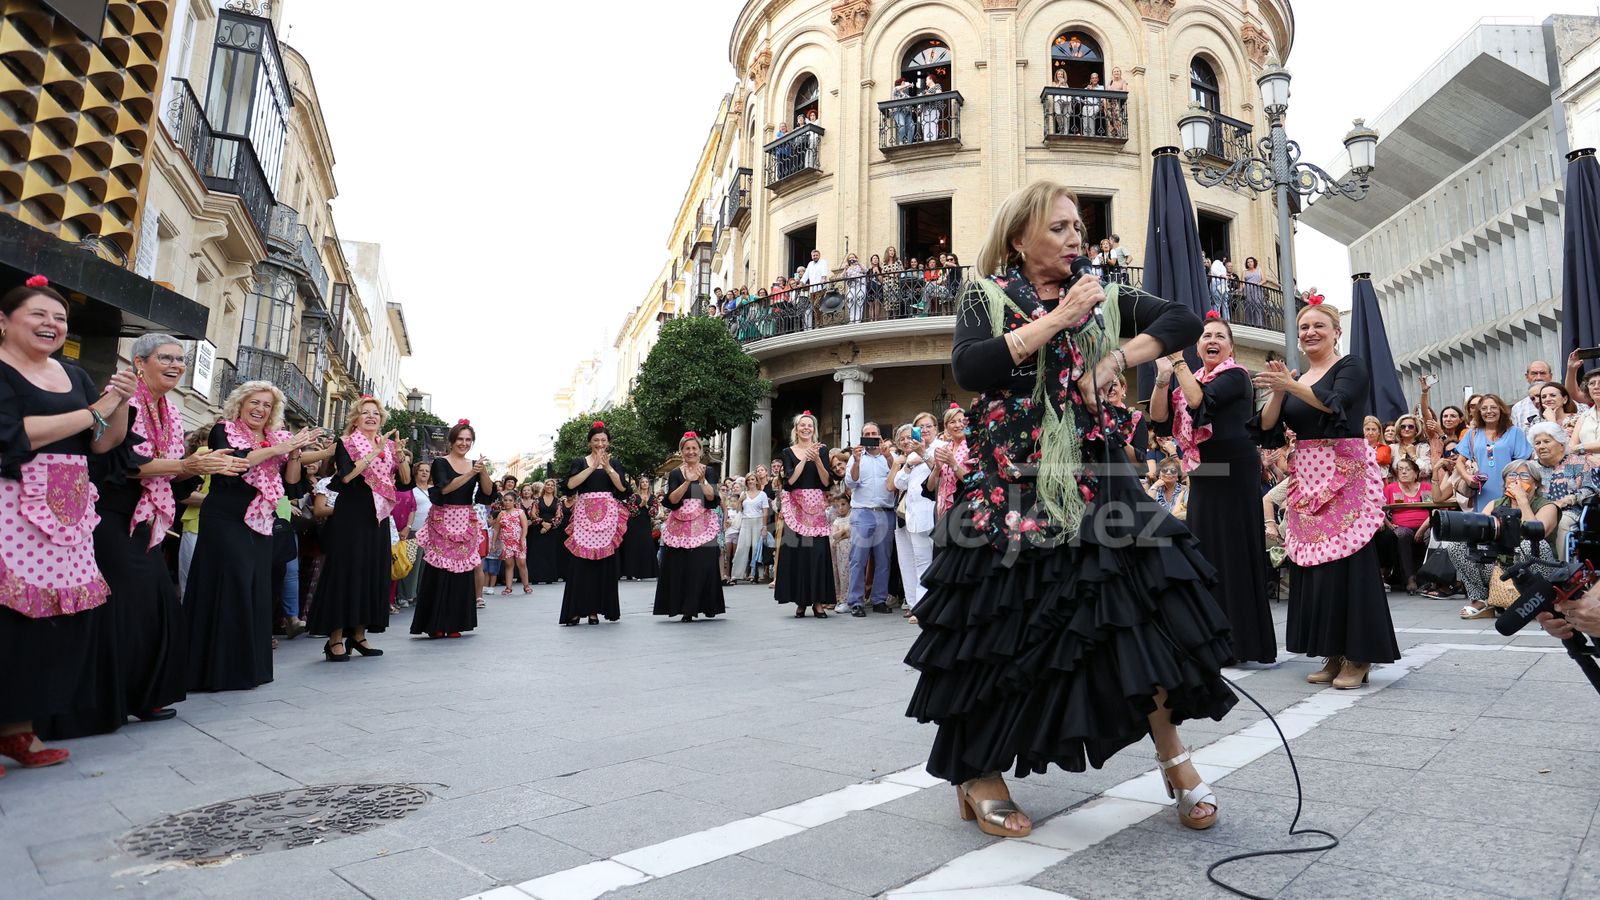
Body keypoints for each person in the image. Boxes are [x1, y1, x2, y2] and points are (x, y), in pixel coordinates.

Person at [906, 182, 1235, 839]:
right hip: (1010, 479)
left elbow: (1180, 319)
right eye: (1057, 227)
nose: (1074, 237)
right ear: (1019, 238)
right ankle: (977, 773)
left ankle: (1174, 759)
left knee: (1139, 609)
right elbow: (971, 368)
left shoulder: (1101, 291)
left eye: (1077, 227)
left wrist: (1115, 356)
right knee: (997, 627)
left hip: (1094, 468)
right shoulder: (985, 294)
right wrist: (1058, 320)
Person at [46, 335, 243, 738]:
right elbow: (123, 464)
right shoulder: (122, 399)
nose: (176, 365)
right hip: (111, 516)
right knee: (122, 608)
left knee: (155, 606)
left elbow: (168, 472)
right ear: (139, 362)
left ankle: (143, 694)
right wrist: (187, 464)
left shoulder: (169, 409)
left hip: (146, 521)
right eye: (165, 357)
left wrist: (196, 467)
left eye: (180, 359)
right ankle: (104, 703)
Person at [0, 277, 136, 770]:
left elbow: (102, 442)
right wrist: (96, 409)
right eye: (38, 314)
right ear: (3, 321)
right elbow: (14, 434)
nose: (51, 324)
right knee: (7, 620)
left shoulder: (74, 374)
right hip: (11, 505)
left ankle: (18, 731)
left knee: (49, 627)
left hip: (68, 513)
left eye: (59, 318)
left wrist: (119, 402)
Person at [1254, 299, 1400, 689]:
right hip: (1306, 474)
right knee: (1315, 564)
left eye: (1319, 325)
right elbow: (1267, 426)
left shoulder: (1350, 366)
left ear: (1336, 332)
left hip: (1344, 471)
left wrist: (1291, 386)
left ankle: (1359, 656)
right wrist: (1280, 391)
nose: (1310, 332)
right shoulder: (1298, 376)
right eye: (1304, 327)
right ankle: (1332, 651)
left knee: (1349, 560)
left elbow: (1338, 404)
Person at [1149, 311, 1275, 664]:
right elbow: (1159, 418)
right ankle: (1211, 641)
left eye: (1220, 336)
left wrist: (1178, 362)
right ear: (1198, 346)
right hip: (1205, 473)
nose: (1212, 341)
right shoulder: (1191, 379)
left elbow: (1197, 401)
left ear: (1231, 347)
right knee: (1205, 551)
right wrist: (1163, 377)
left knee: (1233, 553)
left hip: (1234, 471)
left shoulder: (1235, 376)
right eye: (1206, 336)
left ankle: (1241, 644)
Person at [185, 382, 315, 690]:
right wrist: (279, 448)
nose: (260, 409)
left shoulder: (276, 439)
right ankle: (212, 671)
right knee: (230, 585)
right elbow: (238, 462)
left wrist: (293, 452)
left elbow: (292, 485)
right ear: (241, 404)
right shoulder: (223, 430)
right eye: (255, 402)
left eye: (267, 405)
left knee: (255, 588)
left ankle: (246, 668)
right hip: (225, 518)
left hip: (261, 520)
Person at [309, 398, 409, 661]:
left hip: (378, 517)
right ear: (355, 418)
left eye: (376, 413)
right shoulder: (346, 442)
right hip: (351, 513)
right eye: (365, 413)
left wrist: (399, 455)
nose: (371, 416)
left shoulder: (389, 446)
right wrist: (373, 454)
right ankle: (334, 638)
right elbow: (346, 477)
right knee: (345, 572)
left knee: (371, 572)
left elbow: (405, 481)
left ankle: (359, 634)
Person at [412, 420, 496, 639]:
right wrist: (470, 474)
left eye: (468, 440)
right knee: (439, 571)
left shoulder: (474, 465)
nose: (464, 443)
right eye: (460, 439)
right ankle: (435, 624)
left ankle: (455, 622)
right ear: (451, 441)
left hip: (465, 520)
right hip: (442, 520)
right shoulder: (440, 462)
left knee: (462, 572)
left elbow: (488, 493)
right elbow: (445, 489)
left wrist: (482, 472)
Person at [1448, 459, 1560, 620]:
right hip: (1500, 566)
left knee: (1529, 544)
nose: (1517, 480)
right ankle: (1480, 600)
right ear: (1505, 482)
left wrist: (1522, 500)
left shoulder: (1547, 506)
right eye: (1512, 475)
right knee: (1457, 546)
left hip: (1535, 567)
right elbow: (1477, 534)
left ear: (1536, 484)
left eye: (1524, 476)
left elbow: (1536, 534)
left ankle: (1535, 601)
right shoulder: (1495, 504)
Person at [560, 421, 629, 625]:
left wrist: (607, 467)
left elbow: (622, 488)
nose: (600, 443)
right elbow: (570, 485)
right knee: (580, 564)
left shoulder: (614, 463)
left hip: (607, 517)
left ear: (608, 442)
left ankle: (594, 611)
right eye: (596, 440)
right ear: (589, 442)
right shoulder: (580, 462)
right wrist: (592, 467)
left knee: (603, 565)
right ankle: (575, 610)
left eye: (603, 440)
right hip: (584, 516)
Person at [653, 432, 726, 621]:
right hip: (680, 522)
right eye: (687, 448)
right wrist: (687, 481)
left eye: (694, 448)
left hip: (703, 521)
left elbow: (711, 497)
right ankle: (686, 607)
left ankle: (705, 604)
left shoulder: (709, 471)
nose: (691, 452)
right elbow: (672, 499)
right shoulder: (675, 473)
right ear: (681, 451)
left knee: (703, 564)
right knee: (681, 565)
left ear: (700, 451)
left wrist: (701, 481)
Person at [775, 411, 834, 618]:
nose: (806, 428)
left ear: (814, 429)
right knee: (798, 554)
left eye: (809, 425)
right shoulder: (788, 452)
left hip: (816, 506)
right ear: (796, 429)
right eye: (802, 425)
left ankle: (818, 601)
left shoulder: (822, 450)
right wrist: (804, 459)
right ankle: (801, 601)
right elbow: (790, 481)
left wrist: (816, 459)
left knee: (817, 553)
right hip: (796, 507)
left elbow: (826, 482)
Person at [843, 422, 895, 617]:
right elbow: (850, 483)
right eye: (867, 434)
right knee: (858, 559)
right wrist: (856, 461)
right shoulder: (856, 457)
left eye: (874, 433)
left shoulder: (889, 455)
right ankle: (855, 602)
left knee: (883, 559)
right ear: (862, 437)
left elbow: (897, 478)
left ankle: (879, 600)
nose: (871, 437)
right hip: (862, 511)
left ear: (880, 436)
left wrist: (888, 456)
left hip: (885, 511)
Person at [890, 422, 935, 624]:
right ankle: (915, 604)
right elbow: (897, 483)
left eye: (910, 436)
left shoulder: (935, 449)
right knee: (911, 562)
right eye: (903, 439)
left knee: (925, 562)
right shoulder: (908, 458)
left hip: (929, 514)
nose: (907, 441)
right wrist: (907, 465)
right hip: (907, 516)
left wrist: (922, 455)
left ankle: (924, 606)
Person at [1458, 394, 1531, 512]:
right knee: (1484, 520)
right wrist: (1467, 477)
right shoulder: (1472, 433)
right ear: (1479, 412)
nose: (1489, 411)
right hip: (1482, 490)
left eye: (1493, 407)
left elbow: (1522, 465)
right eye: (1484, 408)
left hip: (1509, 489)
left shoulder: (1515, 432)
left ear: (1501, 410)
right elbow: (1459, 462)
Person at [1377, 457, 1433, 593]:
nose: (1403, 472)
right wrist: (1389, 524)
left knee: (1431, 535)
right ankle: (1409, 578)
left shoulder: (1425, 487)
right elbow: (1379, 508)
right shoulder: (1391, 488)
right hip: (1401, 526)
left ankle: (1429, 578)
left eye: (1407, 469)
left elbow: (1432, 511)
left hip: (1424, 525)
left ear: (1416, 473)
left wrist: (1422, 529)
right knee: (1402, 535)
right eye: (1400, 469)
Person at [394, 460, 431, 608]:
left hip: (429, 533)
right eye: (421, 470)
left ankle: (418, 594)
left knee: (424, 566)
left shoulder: (433, 490)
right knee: (410, 564)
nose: (424, 473)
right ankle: (404, 595)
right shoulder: (411, 490)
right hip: (414, 531)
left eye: (427, 471)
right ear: (415, 472)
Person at [730, 473, 770, 583]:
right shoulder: (744, 493)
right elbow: (738, 510)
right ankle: (736, 575)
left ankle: (754, 575)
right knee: (741, 548)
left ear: (756, 481)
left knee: (756, 549)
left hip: (758, 521)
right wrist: (740, 500)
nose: (751, 481)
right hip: (745, 521)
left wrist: (764, 526)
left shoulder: (762, 494)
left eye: (752, 479)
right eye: (748, 480)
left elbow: (765, 512)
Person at [619, 474, 659, 581]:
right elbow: (630, 511)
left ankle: (645, 572)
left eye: (646, 482)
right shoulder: (634, 496)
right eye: (642, 482)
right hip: (633, 524)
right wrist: (641, 505)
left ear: (649, 484)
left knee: (646, 546)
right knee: (633, 547)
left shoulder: (653, 497)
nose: (644, 484)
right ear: (640, 484)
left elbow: (654, 512)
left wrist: (646, 505)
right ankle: (631, 572)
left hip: (645, 524)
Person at [526, 478, 564, 584]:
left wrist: (549, 526)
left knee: (550, 552)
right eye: (548, 484)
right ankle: (535, 577)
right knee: (537, 552)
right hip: (538, 528)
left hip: (552, 530)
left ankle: (549, 577)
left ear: (554, 488)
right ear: (544, 486)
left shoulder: (558, 501)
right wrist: (542, 523)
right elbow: (532, 514)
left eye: (552, 485)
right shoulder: (537, 500)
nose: (550, 487)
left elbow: (559, 515)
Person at [496, 492, 530, 594]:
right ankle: (508, 587)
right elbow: (496, 529)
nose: (507, 502)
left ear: (514, 502)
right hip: (506, 542)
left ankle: (526, 585)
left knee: (522, 563)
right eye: (505, 500)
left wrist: (522, 539)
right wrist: (494, 542)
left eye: (510, 500)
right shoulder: (501, 514)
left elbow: (525, 527)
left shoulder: (520, 512)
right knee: (508, 564)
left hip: (518, 541)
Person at [1511, 360, 1554, 426]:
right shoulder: (1518, 408)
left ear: (1550, 376)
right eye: (1534, 373)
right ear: (1527, 377)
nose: (1538, 377)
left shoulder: (1561, 401)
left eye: (1543, 373)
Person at [844, 254, 868, 324]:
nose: (852, 259)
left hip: (860, 285)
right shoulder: (848, 268)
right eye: (850, 258)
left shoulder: (859, 266)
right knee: (850, 300)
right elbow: (843, 277)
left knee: (859, 300)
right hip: (851, 286)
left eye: (853, 257)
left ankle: (858, 319)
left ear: (856, 258)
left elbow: (866, 270)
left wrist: (858, 263)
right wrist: (845, 269)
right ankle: (852, 319)